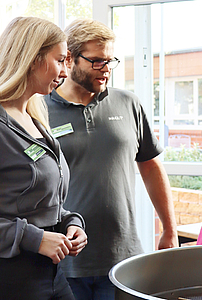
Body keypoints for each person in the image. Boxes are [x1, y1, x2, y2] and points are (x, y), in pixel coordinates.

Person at [44, 18, 178, 299]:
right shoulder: (39, 110)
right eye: (97, 62)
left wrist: (169, 228)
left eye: (110, 61)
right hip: (63, 260)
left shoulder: (128, 103)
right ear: (69, 58)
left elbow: (151, 166)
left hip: (123, 258)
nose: (106, 70)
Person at [0, 16, 87, 299]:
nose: (65, 71)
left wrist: (70, 222)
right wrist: (34, 239)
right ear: (33, 58)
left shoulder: (35, 120)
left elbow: (36, 203)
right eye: (60, 60)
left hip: (51, 276)